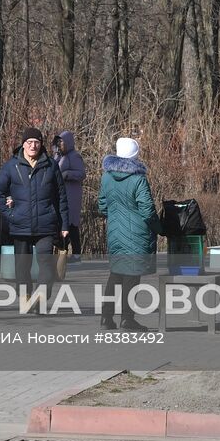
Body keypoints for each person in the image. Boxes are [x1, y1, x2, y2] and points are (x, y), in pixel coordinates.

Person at [0, 127, 70, 312]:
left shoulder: (51, 165)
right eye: (29, 142)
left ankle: (41, 298)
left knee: (46, 264)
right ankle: (25, 297)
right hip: (20, 224)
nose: (33, 145)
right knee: (22, 266)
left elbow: (61, 196)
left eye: (36, 142)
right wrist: (10, 213)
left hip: (46, 224)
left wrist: (65, 223)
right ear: (23, 144)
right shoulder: (12, 166)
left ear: (41, 144)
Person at [97, 137, 158, 331]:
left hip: (114, 233)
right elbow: (147, 209)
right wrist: (159, 228)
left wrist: (116, 218)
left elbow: (102, 206)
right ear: (135, 154)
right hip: (137, 235)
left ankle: (106, 318)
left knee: (115, 275)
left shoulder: (106, 177)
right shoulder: (138, 179)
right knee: (132, 277)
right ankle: (127, 318)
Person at [53, 131, 86, 262]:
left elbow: (81, 174)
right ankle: (62, 252)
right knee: (62, 223)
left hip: (72, 195)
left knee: (71, 224)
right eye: (58, 142)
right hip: (61, 195)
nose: (60, 144)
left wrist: (67, 174)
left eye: (62, 141)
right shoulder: (58, 157)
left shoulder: (74, 156)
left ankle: (76, 254)